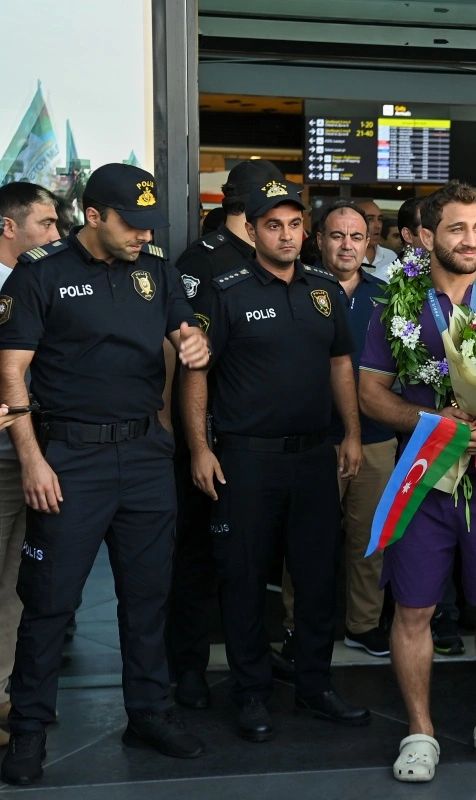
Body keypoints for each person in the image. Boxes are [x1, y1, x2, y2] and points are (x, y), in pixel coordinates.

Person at [0, 164, 210, 785]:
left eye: (151, 225)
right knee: (50, 601)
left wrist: (196, 345)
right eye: (131, 224)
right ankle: (31, 728)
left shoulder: (156, 270)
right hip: (70, 459)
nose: (144, 235)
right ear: (92, 216)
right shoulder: (42, 273)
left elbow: (187, 333)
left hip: (146, 455)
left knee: (147, 597)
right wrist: (34, 457)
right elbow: (11, 371)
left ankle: (149, 712)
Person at [358, 180, 476, 783]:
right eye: (456, 229)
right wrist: (433, 423)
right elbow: (369, 393)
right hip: (423, 475)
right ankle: (420, 730)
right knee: (412, 609)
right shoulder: (398, 304)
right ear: (427, 236)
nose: (472, 239)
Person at [184, 178, 369, 743]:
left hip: (315, 456)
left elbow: (341, 364)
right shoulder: (226, 289)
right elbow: (196, 373)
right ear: (251, 229)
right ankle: (251, 693)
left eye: (294, 224)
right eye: (273, 225)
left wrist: (353, 435)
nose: (286, 235)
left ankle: (315, 686)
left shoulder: (322, 289)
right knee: (242, 580)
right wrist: (199, 447)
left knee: (316, 580)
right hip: (246, 460)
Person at [167, 158, 285, 709]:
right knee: (197, 553)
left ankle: (257, 654)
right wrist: (195, 441)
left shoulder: (274, 257)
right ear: (246, 210)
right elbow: (183, 356)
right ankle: (187, 665)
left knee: (254, 557)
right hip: (210, 435)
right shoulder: (203, 259)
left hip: (260, 437)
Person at [277, 201, 396, 659]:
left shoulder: (388, 295)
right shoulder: (296, 289)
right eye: (337, 235)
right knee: (306, 540)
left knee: (371, 540)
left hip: (377, 438)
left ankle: (363, 625)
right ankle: (296, 626)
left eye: (356, 237)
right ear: (319, 240)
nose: (347, 245)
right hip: (313, 438)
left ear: (369, 244)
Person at [0, 182, 60, 748]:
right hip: (4, 456)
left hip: (39, 453)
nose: (56, 235)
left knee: (21, 583)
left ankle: (4, 694)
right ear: (9, 227)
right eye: (46, 223)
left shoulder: (43, 282)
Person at [355, 199, 398, 270]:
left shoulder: (390, 257)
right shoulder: (344, 257)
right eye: (370, 219)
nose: (378, 225)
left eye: (380, 219)